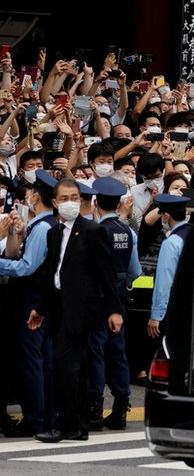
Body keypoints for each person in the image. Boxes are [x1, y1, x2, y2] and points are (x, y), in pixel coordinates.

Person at [30, 178, 123, 442]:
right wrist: (41, 309)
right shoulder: (54, 232)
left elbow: (107, 274)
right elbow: (54, 273)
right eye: (65, 198)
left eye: (75, 197)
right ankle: (80, 425)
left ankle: (67, 423)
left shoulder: (93, 231)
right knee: (75, 369)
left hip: (83, 311)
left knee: (65, 366)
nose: (71, 202)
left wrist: (114, 310)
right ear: (56, 202)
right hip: (60, 309)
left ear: (82, 200)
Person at [0, 169, 59, 437]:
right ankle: (44, 416)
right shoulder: (43, 226)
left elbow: (25, 268)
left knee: (33, 362)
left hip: (32, 300)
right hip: (42, 299)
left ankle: (36, 419)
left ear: (36, 195)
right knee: (42, 361)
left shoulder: (43, 227)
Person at [88, 177, 142, 431]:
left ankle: (95, 408)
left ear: (95, 202)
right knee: (117, 354)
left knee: (96, 353)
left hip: (97, 300)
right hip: (120, 299)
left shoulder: (96, 231)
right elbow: (134, 272)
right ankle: (121, 408)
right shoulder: (127, 231)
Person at [148, 195, 191, 340]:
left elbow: (164, 281)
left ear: (166, 216)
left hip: (174, 309)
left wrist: (156, 315)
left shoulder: (172, 242)